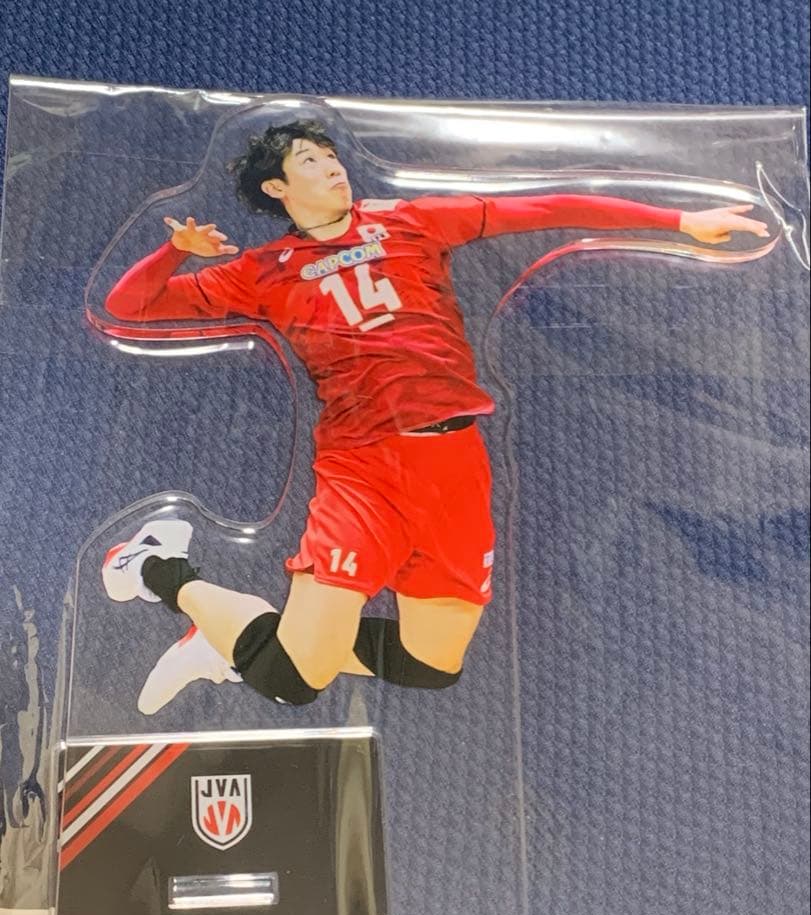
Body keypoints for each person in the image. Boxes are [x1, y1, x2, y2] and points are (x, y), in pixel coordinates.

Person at [101, 119, 768, 713]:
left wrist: (680, 222)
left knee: (428, 664)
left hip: (454, 463)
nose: (332, 167)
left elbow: (544, 208)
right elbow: (128, 306)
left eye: (331, 155)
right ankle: (157, 568)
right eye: (309, 161)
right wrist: (176, 250)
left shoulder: (410, 222)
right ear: (277, 188)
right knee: (291, 680)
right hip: (366, 470)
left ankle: (239, 639)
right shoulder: (262, 270)